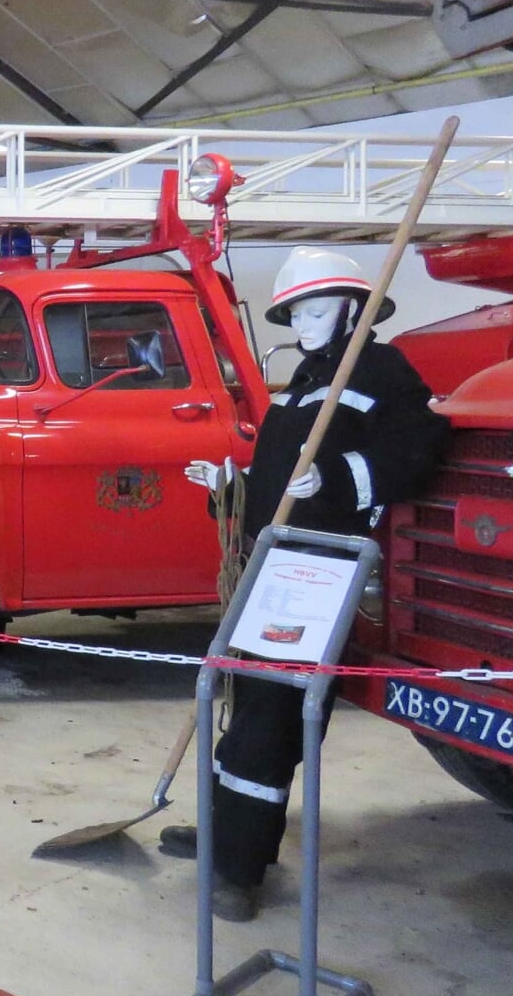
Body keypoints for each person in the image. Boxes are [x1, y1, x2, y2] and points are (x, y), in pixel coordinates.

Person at [166, 246, 449, 922]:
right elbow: (279, 479)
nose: (304, 325)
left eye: (317, 310)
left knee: (274, 718)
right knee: (240, 696)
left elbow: (420, 446)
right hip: (272, 564)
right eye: (296, 314)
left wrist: (342, 475)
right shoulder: (300, 382)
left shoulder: (381, 371)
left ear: (353, 308)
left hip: (321, 574)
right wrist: (231, 487)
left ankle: (240, 870)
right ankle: (223, 830)